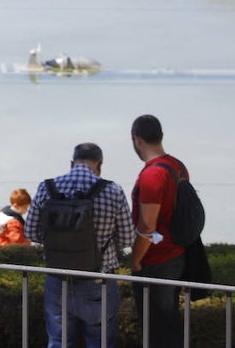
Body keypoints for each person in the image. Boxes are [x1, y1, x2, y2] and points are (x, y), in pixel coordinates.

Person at [24, 143, 133, 348]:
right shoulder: (113, 190)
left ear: (72, 163)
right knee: (99, 342)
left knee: (59, 341)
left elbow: (30, 232)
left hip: (58, 279)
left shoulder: (46, 187)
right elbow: (128, 239)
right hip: (98, 281)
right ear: (99, 165)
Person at [130, 114, 189, 348]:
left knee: (157, 331)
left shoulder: (153, 174)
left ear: (136, 140)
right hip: (176, 255)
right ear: (161, 136)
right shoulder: (177, 166)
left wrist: (135, 261)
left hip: (155, 261)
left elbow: (147, 225)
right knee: (169, 324)